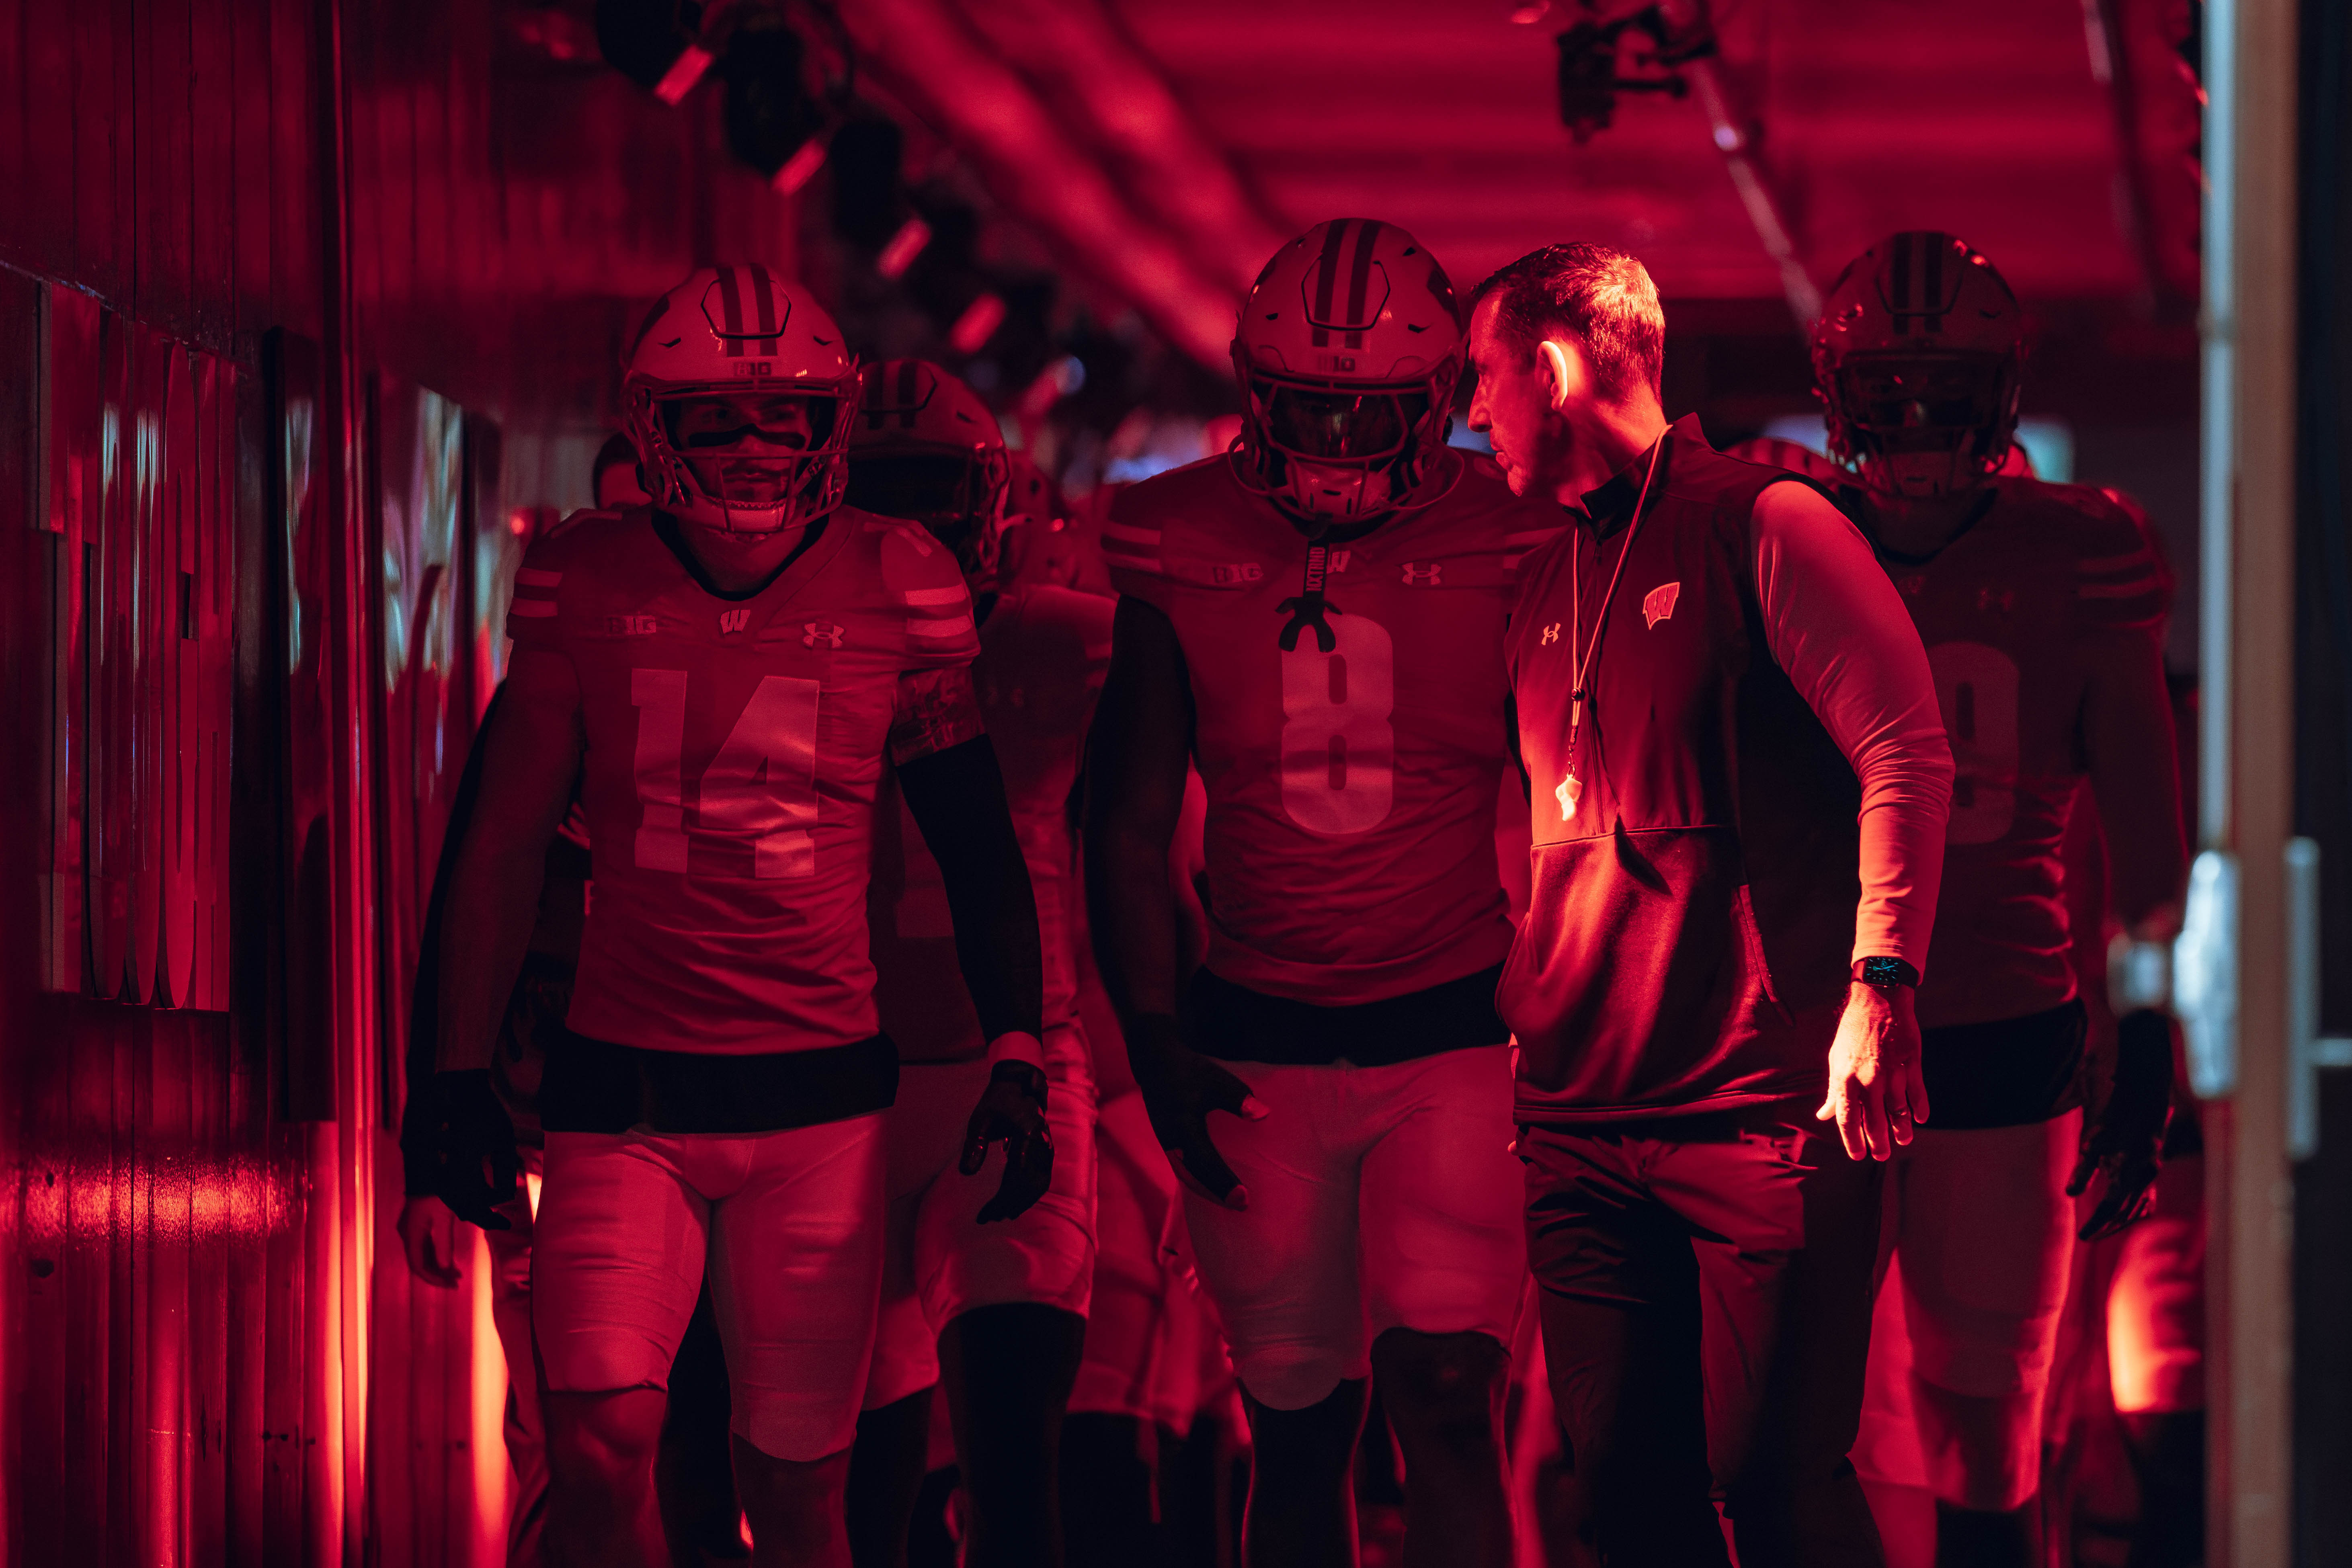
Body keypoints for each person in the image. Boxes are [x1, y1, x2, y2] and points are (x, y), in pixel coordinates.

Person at [416, 265, 1054, 1568]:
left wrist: (1019, 1050)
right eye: (721, 422)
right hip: (624, 1097)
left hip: (817, 1108)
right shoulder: (585, 575)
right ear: (657, 429)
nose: (758, 450)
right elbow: (500, 836)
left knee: (801, 1492)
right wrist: (449, 1076)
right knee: (599, 1450)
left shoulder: (895, 578)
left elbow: (977, 841)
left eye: (785, 421)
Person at [1086, 218, 1567, 1568]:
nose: (1338, 445)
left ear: (1430, 406)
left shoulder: (1512, 536)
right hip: (1254, 1038)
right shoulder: (1176, 531)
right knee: (1294, 1426)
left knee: (1448, 1399)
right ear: (1253, 392)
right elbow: (1122, 820)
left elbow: (1568, 803)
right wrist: (1157, 1040)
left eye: (1367, 416)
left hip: (1454, 1032)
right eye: (1308, 410)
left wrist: (1570, 1003)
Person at [1467, 241, 1954, 1568]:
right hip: (1578, 1117)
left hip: (1757, 1109)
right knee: (1622, 1495)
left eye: (1486, 377)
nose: (1475, 411)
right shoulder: (1539, 576)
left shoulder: (1766, 520)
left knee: (1777, 1483)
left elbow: (1905, 748)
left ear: (1554, 370)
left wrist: (1881, 983)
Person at [1795, 233, 2187, 1568]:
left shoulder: (2077, 553)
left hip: (2002, 1034)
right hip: (1820, 1035)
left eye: (1940, 392)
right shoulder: (1784, 532)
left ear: (2000, 396)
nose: (1912, 423)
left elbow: (2144, 835)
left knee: (1984, 1429)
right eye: (1890, 392)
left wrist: (2146, 1040)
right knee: (1810, 1428)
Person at [839, 359, 1105, 1568]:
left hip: (1009, 1072)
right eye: (876, 490)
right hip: (827, 1083)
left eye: (926, 491)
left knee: (1009, 1465)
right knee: (862, 1495)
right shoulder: (778, 637)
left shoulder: (1066, 645)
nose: (906, 523)